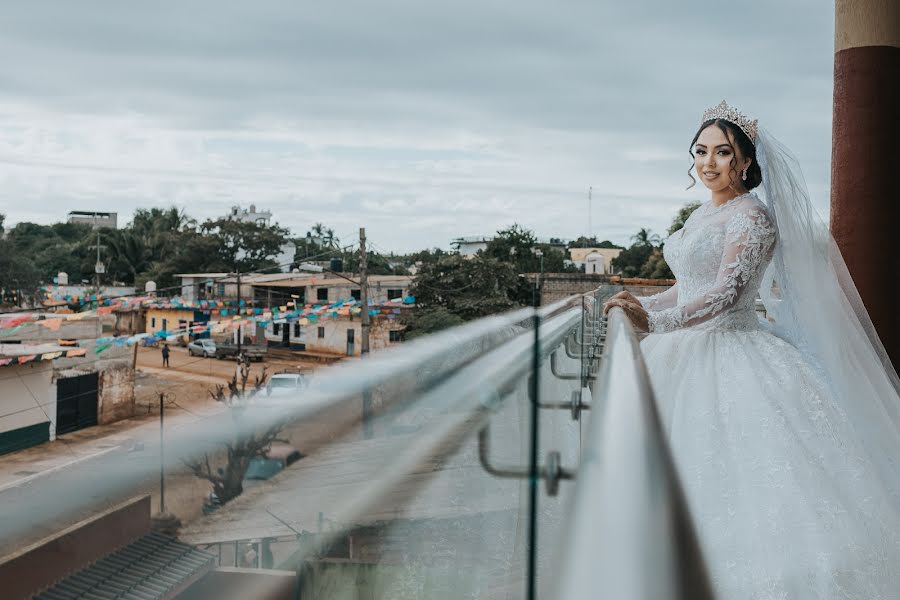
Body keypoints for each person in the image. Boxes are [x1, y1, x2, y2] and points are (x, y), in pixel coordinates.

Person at [603, 101, 899, 598]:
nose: (708, 163)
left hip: (734, 352)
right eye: (701, 151)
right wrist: (641, 302)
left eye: (723, 153)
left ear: (745, 161)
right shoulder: (704, 213)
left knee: (748, 482)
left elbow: (725, 295)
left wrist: (654, 321)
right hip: (684, 352)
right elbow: (690, 284)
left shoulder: (753, 218)